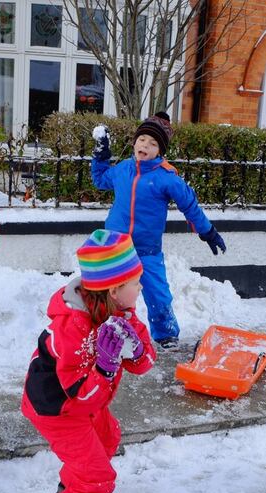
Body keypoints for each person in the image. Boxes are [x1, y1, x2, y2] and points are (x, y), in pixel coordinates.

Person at [22, 229, 155, 493]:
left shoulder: (121, 311)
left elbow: (145, 363)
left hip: (90, 402)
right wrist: (106, 368)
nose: (140, 287)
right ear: (114, 289)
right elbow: (80, 397)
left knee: (107, 439)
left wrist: (137, 351)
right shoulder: (74, 327)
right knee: (97, 478)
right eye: (136, 281)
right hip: (58, 409)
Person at [90, 112, 226, 349]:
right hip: (115, 245)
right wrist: (101, 156)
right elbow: (100, 180)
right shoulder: (123, 169)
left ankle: (166, 335)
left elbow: (189, 206)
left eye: (153, 144)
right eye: (142, 139)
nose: (145, 145)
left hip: (147, 249)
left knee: (158, 295)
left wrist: (207, 231)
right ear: (135, 142)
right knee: (107, 291)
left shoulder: (166, 178)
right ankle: (102, 329)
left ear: (160, 151)